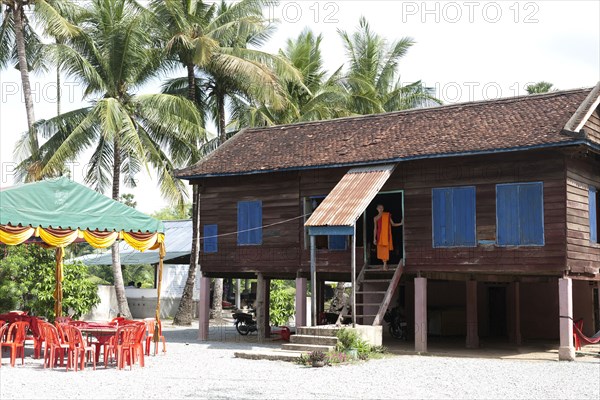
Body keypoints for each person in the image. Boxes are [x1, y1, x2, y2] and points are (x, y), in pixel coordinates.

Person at [373, 204, 402, 270]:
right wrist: (374, 238)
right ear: (377, 209)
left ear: (383, 209)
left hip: (386, 235)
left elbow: (393, 224)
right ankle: (384, 264)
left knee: (385, 249)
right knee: (381, 250)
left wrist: (400, 223)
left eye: (382, 208)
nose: (380, 209)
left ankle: (385, 265)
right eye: (379, 208)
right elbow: (375, 228)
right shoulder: (375, 218)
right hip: (379, 235)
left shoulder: (387, 215)